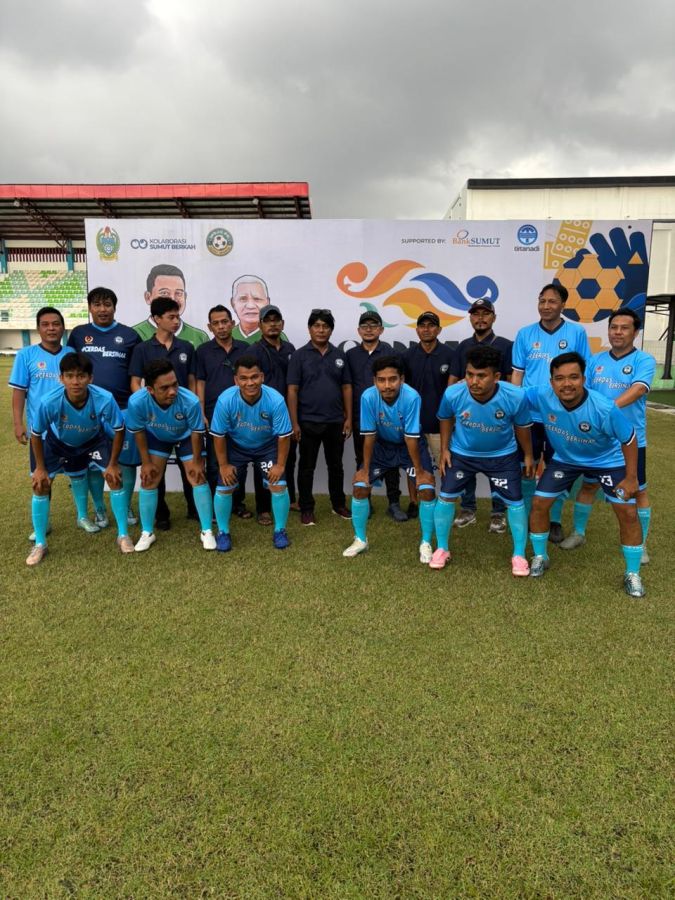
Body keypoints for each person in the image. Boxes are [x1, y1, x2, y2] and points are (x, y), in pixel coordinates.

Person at [526, 351, 645, 598]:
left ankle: (632, 574)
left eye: (573, 377)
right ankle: (540, 556)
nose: (567, 384)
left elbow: (629, 438)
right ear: (551, 382)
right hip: (566, 459)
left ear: (584, 379)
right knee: (539, 503)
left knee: (627, 512)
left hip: (606, 460)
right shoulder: (541, 395)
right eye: (559, 378)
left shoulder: (604, 408)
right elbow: (509, 394)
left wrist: (631, 477)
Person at [560, 309, 656, 563]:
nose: (618, 332)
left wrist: (607, 410)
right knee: (589, 485)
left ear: (635, 332)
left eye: (624, 328)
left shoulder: (644, 360)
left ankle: (640, 544)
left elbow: (638, 389)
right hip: (599, 439)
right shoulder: (595, 361)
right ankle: (579, 533)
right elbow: (584, 393)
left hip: (631, 439)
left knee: (638, 490)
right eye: (614, 327)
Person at [25, 352, 132, 566]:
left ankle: (123, 535)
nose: (76, 381)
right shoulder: (49, 401)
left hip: (93, 441)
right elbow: (36, 434)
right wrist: (40, 468)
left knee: (114, 479)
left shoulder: (104, 398)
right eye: (70, 376)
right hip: (57, 443)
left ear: (90, 378)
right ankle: (40, 543)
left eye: (81, 376)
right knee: (41, 485)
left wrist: (112, 464)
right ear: (61, 378)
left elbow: (119, 429)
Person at [435, 346, 534, 574]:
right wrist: (444, 449)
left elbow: (522, 427)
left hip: (502, 456)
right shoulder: (453, 393)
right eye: (470, 374)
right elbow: (445, 418)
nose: (473, 381)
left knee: (515, 502)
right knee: (446, 497)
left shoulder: (515, 396)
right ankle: (442, 549)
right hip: (462, 454)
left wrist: (528, 454)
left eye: (481, 376)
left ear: (496, 376)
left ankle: (519, 555)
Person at [511, 284, 591, 543]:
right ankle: (527, 516)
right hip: (530, 416)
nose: (546, 306)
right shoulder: (525, 334)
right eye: (542, 301)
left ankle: (554, 519)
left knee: (559, 468)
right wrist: (515, 407)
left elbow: (584, 375)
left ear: (563, 305)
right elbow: (517, 375)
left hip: (563, 416)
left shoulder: (577, 332)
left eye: (552, 301)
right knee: (526, 466)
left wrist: (577, 409)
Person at [343, 356, 436, 561]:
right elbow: (369, 436)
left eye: (392, 379)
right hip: (382, 446)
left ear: (401, 379)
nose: (387, 385)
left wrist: (420, 473)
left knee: (427, 490)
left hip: (410, 446)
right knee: (360, 487)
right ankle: (360, 540)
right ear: (374, 381)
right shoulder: (368, 397)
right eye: (381, 380)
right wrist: (365, 470)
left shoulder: (412, 397)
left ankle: (426, 542)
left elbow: (411, 438)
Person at [67, 286, 141, 528]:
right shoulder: (79, 334)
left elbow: (137, 374)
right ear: (90, 308)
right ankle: (99, 508)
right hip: (88, 411)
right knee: (92, 463)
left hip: (123, 409)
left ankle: (125, 504)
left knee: (126, 462)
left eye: (107, 304)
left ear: (114, 307)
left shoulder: (130, 335)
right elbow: (70, 369)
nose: (102, 309)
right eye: (97, 304)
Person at [125, 359, 214, 553]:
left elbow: (196, 432)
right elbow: (138, 431)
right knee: (149, 478)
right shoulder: (137, 401)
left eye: (175, 384)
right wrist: (146, 463)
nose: (172, 391)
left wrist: (197, 462)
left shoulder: (190, 400)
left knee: (197, 476)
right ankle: (147, 532)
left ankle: (207, 531)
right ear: (150, 389)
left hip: (186, 436)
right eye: (164, 388)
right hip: (157, 436)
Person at [209, 356, 293, 551]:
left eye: (254, 377)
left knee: (278, 485)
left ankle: (280, 531)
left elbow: (283, 436)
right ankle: (223, 532)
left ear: (262, 377)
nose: (250, 383)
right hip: (236, 446)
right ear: (236, 380)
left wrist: (280, 465)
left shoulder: (276, 400)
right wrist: (223, 465)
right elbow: (219, 436)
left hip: (266, 447)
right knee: (224, 486)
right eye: (244, 378)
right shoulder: (225, 400)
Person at [130, 297, 197, 528]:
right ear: (157, 319)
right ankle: (161, 514)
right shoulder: (142, 349)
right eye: (171, 317)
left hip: (183, 420)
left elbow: (191, 382)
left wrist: (192, 409)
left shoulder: (186, 347)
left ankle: (194, 509)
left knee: (190, 468)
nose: (176, 321)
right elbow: (135, 382)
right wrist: (150, 407)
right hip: (154, 422)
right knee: (154, 470)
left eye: (178, 316)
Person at [447, 298, 513, 534]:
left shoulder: (505, 345)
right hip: (468, 416)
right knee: (466, 464)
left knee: (498, 467)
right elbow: (453, 380)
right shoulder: (463, 346)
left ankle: (498, 512)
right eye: (476, 314)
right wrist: (452, 409)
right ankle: (468, 509)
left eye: (485, 314)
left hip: (496, 417)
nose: (480, 318)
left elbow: (510, 381)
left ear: (493, 317)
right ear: (471, 318)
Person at [287, 309, 352, 525]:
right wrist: (294, 422)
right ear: (310, 329)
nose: (321, 330)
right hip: (307, 421)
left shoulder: (340, 355)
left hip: (335, 421)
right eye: (317, 326)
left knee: (336, 466)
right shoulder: (299, 356)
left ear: (331, 330)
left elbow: (346, 387)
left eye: (325, 326)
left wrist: (348, 418)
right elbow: (292, 390)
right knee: (306, 468)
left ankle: (338, 504)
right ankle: (306, 507)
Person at [10, 307, 70, 540]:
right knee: (43, 479)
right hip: (41, 432)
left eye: (56, 324)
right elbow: (19, 392)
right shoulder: (26, 355)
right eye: (45, 324)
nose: (51, 328)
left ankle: (84, 516)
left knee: (81, 475)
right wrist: (18, 423)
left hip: (72, 429)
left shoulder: (71, 353)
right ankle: (42, 524)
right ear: (38, 328)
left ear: (63, 327)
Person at [346, 310, 405, 521]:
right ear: (359, 330)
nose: (369, 329)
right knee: (363, 459)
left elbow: (399, 386)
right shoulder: (351, 355)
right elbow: (347, 387)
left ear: (381, 329)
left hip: (388, 417)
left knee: (392, 461)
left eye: (373, 325)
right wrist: (348, 417)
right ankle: (366, 501)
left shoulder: (391, 353)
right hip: (361, 417)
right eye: (365, 326)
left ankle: (394, 503)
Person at [194, 304, 252, 516]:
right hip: (213, 414)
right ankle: (214, 504)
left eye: (225, 322)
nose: (221, 326)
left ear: (232, 323)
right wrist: (201, 412)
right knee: (214, 463)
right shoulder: (202, 351)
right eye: (216, 323)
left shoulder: (245, 348)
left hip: (242, 414)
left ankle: (237, 504)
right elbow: (200, 383)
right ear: (210, 327)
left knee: (239, 462)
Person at [402, 311, 454, 517]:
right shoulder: (407, 356)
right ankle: (414, 502)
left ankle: (445, 501)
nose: (426, 329)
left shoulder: (450, 355)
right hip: (413, 423)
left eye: (431, 325)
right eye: (422, 325)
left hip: (440, 424)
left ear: (439, 330)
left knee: (445, 465)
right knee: (413, 467)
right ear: (417, 330)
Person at [253, 304, 298, 510]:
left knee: (288, 458)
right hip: (263, 415)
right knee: (263, 462)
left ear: (282, 324)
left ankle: (290, 499)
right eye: (267, 321)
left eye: (276, 320)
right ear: (260, 325)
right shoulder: (254, 350)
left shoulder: (290, 349)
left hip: (287, 413)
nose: (272, 324)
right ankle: (263, 507)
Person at [133, 264, 208, 347]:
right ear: (148, 297)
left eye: (178, 293)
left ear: (185, 297)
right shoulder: (133, 334)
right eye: (164, 293)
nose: (173, 299)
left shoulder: (200, 337)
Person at [230, 275, 289, 345]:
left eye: (257, 299)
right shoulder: (228, 336)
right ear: (233, 303)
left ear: (267, 302)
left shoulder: (278, 337)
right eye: (243, 299)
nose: (250, 306)